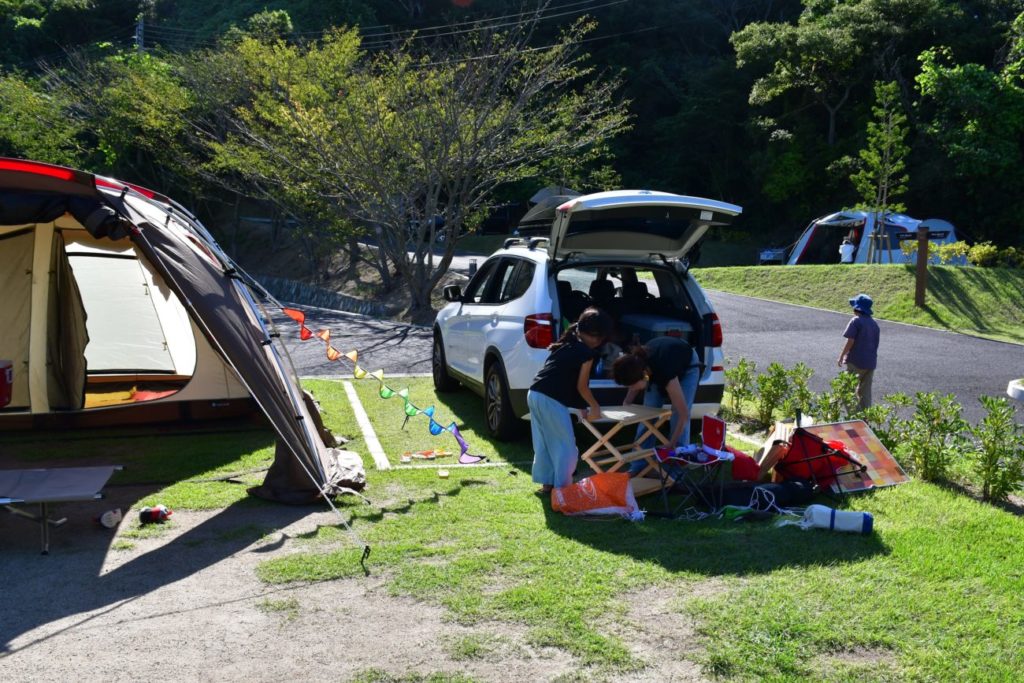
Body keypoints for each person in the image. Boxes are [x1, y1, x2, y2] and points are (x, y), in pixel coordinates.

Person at [528, 307, 613, 495]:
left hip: (535, 393)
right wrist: (594, 406)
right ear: (594, 335)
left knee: (544, 443)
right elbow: (582, 387)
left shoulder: (567, 343)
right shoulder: (586, 353)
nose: (598, 342)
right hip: (549, 399)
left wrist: (580, 407)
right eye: (598, 338)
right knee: (566, 447)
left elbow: (565, 379)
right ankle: (563, 489)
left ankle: (547, 485)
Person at [612, 335, 701, 467]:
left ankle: (677, 467)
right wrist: (626, 403)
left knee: (677, 414)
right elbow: (634, 383)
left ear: (644, 376)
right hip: (661, 358)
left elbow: (683, 414)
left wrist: (671, 444)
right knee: (648, 414)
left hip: (687, 364)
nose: (631, 389)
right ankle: (638, 465)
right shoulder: (635, 363)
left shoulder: (665, 373)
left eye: (632, 386)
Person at [838, 293, 880, 410]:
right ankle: (867, 419)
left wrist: (841, 356)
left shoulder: (856, 321)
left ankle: (855, 417)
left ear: (856, 308)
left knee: (847, 390)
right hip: (870, 363)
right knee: (865, 392)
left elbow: (850, 340)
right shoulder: (874, 324)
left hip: (856, 361)